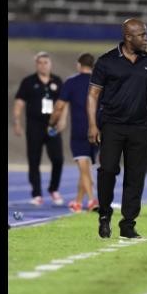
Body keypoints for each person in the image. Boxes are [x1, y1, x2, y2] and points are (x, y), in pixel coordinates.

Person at [87, 18, 147, 239]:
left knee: (135, 177)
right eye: (142, 35)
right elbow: (93, 95)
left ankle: (128, 223)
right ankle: (104, 215)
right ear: (128, 37)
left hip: (140, 128)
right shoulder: (106, 61)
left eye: (146, 34)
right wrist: (93, 124)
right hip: (112, 126)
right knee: (107, 171)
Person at [48, 53, 100, 213]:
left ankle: (92, 200)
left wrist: (51, 122)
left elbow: (59, 106)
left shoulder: (71, 82)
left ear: (79, 65)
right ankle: (78, 202)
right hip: (97, 130)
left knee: (84, 168)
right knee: (86, 168)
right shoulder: (101, 83)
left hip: (79, 130)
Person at [13, 51, 65, 206]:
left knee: (58, 159)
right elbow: (19, 103)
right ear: (36, 64)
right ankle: (36, 193)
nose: (43, 65)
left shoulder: (57, 81)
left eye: (46, 62)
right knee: (34, 160)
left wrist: (62, 120)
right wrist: (17, 122)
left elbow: (63, 103)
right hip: (34, 126)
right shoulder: (28, 82)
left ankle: (53, 189)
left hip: (52, 126)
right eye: (40, 62)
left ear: (50, 64)